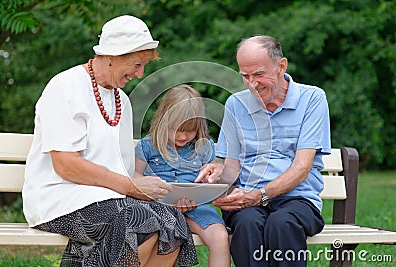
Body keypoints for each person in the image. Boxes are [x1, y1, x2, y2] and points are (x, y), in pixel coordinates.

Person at [22, 15, 198, 267]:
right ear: (112, 56)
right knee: (138, 220)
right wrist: (130, 188)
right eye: (136, 65)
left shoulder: (121, 101)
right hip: (58, 200)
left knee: (172, 222)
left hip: (108, 199)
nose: (140, 74)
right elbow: (65, 165)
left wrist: (155, 189)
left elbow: (120, 171)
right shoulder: (65, 87)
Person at [196, 35, 331, 266]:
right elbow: (232, 165)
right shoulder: (236, 105)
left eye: (259, 74)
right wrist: (217, 182)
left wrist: (260, 195)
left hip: (297, 199)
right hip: (246, 199)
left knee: (282, 223)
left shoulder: (312, 99)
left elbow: (301, 167)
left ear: (281, 66)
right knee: (247, 224)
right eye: (245, 76)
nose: (252, 84)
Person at [134, 84, 231, 267]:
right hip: (157, 208)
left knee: (220, 236)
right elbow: (135, 176)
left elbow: (211, 183)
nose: (183, 135)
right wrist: (152, 187)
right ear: (163, 121)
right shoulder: (148, 146)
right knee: (153, 234)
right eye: (176, 129)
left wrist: (210, 181)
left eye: (190, 130)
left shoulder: (204, 147)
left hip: (196, 208)